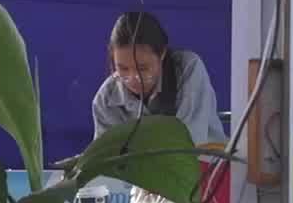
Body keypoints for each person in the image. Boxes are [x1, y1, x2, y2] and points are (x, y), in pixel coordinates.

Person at [91, 11, 227, 145]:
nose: (133, 78)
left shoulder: (187, 68)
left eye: (143, 68)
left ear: (162, 54)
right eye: (123, 68)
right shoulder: (105, 99)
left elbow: (189, 142)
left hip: (206, 163)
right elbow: (104, 156)